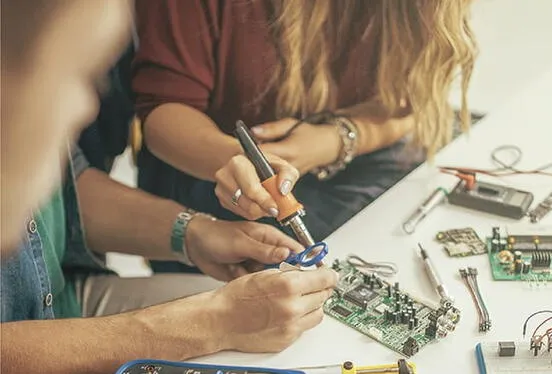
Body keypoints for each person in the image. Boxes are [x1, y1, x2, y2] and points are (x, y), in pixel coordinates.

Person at [0, 1, 337, 373]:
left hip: (61, 301)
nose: (88, 109)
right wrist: (208, 324)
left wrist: (193, 233)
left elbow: (66, 193)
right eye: (70, 78)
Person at [132, 0, 476, 275]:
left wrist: (335, 140)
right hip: (221, 181)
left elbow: (413, 103)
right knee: (293, 275)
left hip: (359, 153)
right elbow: (163, 114)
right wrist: (230, 159)